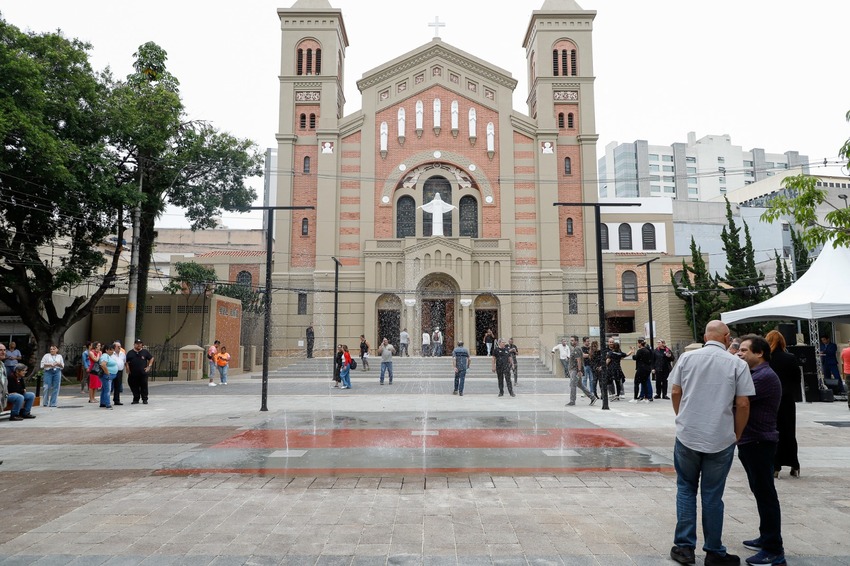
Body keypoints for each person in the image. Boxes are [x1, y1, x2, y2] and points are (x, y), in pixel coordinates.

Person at [669, 320, 754, 566]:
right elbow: (744, 403)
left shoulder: (686, 359)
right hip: (720, 436)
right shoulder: (737, 363)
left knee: (685, 489)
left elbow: (676, 392)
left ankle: (684, 548)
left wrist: (682, 417)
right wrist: (736, 433)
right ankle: (714, 551)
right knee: (712, 495)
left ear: (705, 336)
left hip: (688, 435)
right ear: (727, 337)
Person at [735, 335, 785, 566]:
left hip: (759, 442)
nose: (739, 353)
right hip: (752, 441)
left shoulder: (762, 377)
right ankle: (766, 537)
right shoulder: (755, 374)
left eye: (744, 350)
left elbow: (736, 400)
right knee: (761, 492)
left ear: (759, 353)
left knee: (766, 495)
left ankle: (774, 549)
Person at [765, 330, 801, 479]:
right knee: (789, 431)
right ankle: (794, 464)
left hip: (771, 400)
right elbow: (797, 379)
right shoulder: (790, 358)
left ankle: (776, 465)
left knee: (773, 431)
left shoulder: (767, 359)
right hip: (787, 400)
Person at [566, 335, 597, 406]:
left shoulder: (576, 349)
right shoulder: (578, 349)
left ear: (576, 341)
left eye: (572, 340)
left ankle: (572, 401)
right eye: (571, 340)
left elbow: (579, 360)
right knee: (580, 385)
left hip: (575, 370)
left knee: (572, 385)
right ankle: (592, 397)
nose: (571, 342)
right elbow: (582, 355)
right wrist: (589, 355)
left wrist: (579, 370)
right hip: (576, 370)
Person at [126, 339, 154, 404]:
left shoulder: (145, 352)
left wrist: (149, 366)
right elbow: (126, 361)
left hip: (143, 373)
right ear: (134, 344)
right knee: (134, 386)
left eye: (140, 343)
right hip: (133, 373)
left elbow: (151, 358)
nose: (139, 345)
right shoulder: (130, 353)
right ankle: (136, 399)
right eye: (137, 343)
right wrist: (127, 368)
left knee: (144, 386)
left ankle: (144, 399)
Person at [98, 343, 117, 409]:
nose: (112, 351)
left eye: (113, 350)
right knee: (107, 390)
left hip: (109, 375)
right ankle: (108, 404)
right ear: (106, 350)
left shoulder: (107, 356)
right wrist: (107, 373)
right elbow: (103, 364)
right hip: (107, 376)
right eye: (111, 350)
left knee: (104, 389)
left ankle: (103, 402)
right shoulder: (105, 356)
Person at [111, 341, 126, 405]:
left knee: (118, 386)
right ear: (114, 347)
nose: (120, 347)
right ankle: (106, 400)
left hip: (119, 371)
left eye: (120, 346)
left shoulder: (122, 354)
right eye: (118, 346)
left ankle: (116, 400)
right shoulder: (111, 354)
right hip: (112, 371)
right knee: (110, 386)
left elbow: (124, 361)